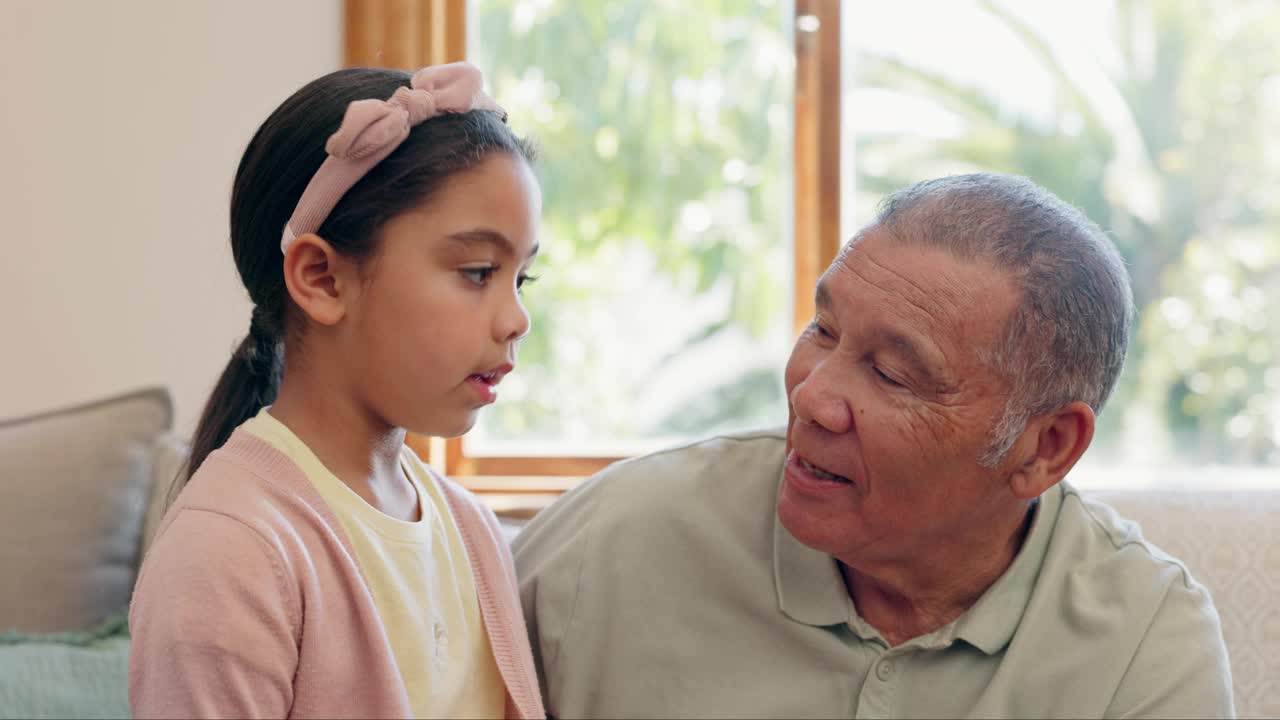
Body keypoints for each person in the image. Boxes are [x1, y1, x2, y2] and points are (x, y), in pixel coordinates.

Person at [514, 173, 1234, 719]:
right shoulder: (615, 538)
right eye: (822, 330)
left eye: (893, 374)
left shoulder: (1146, 642)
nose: (812, 398)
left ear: (1045, 447)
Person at [129, 63, 545, 719]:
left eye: (523, 279)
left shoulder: (473, 532)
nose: (516, 318)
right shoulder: (229, 551)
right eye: (477, 271)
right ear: (322, 278)